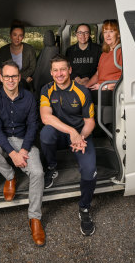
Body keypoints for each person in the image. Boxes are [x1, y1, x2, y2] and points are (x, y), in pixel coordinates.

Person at [0, 60, 45, 246]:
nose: (10, 80)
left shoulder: (29, 97)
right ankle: (10, 176)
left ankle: (35, 218)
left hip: (24, 141)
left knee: (38, 173)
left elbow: (33, 125)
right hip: (3, 140)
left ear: (19, 78)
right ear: (0, 78)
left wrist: (23, 150)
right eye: (6, 76)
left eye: (14, 76)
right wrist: (12, 154)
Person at [39, 54, 97, 236]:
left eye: (63, 69)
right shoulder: (46, 89)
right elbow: (45, 117)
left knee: (89, 171)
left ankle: (85, 208)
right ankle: (52, 167)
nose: (59, 73)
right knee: (45, 134)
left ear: (70, 70)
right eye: (55, 70)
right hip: (62, 134)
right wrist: (70, 131)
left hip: (81, 135)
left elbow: (90, 122)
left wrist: (80, 136)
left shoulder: (82, 91)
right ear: (51, 73)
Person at [0, 21, 36, 89]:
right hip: (7, 81)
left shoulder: (30, 49)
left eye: (20, 35)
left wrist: (21, 78)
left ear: (23, 37)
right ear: (10, 35)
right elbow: (0, 68)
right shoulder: (3, 51)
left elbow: (32, 68)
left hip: (24, 83)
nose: (17, 38)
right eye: (15, 35)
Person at [86, 19, 123, 92]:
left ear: (118, 34)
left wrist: (105, 87)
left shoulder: (121, 52)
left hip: (113, 92)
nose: (107, 35)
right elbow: (97, 75)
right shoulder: (104, 53)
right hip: (100, 89)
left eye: (111, 31)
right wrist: (86, 87)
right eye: (105, 32)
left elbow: (125, 78)